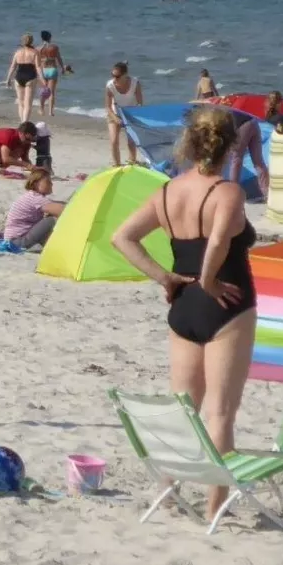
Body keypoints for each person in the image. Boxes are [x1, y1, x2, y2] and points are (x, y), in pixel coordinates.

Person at [111, 107, 257, 522]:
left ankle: (169, 491)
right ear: (230, 146)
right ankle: (215, 506)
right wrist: (210, 279)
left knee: (184, 408)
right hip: (227, 304)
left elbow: (122, 237)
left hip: (183, 304)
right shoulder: (228, 192)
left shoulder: (166, 191)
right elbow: (217, 244)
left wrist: (164, 278)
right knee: (221, 413)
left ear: (189, 144)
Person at [3, 168, 66, 250]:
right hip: (17, 241)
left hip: (14, 240)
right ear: (36, 184)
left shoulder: (31, 196)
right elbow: (63, 211)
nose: (51, 184)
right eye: (48, 182)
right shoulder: (35, 198)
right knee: (52, 220)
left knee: (49, 219)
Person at [105, 61, 143, 167]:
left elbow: (140, 103)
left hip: (131, 113)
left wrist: (135, 118)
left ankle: (132, 162)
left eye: (117, 76)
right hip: (114, 113)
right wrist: (116, 118)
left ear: (125, 75)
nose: (114, 78)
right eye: (113, 75)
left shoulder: (135, 83)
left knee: (131, 141)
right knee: (114, 141)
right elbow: (107, 107)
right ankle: (117, 164)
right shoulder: (110, 85)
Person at [4, 34, 41, 124]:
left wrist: (8, 79)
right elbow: (38, 67)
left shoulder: (18, 52)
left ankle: (22, 122)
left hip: (18, 77)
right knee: (28, 103)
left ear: (22, 41)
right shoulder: (35, 52)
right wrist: (42, 79)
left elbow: (12, 67)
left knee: (21, 102)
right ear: (31, 41)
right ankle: (25, 123)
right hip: (30, 77)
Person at [36, 30, 66, 116]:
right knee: (52, 92)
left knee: (43, 91)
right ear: (50, 37)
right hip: (52, 69)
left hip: (42, 70)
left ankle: (41, 110)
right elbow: (59, 58)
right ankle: (50, 112)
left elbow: (36, 61)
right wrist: (62, 68)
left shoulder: (38, 48)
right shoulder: (54, 47)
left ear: (42, 38)